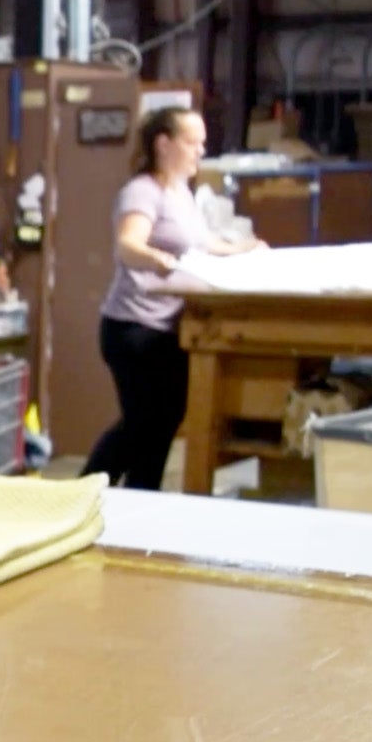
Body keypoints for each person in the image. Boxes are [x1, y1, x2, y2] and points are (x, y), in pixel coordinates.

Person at [86, 107, 262, 491]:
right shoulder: (143, 191)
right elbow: (128, 244)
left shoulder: (181, 191)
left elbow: (202, 244)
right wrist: (157, 260)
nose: (201, 151)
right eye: (192, 142)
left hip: (166, 329)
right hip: (134, 329)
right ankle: (82, 491)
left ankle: (140, 499)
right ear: (164, 144)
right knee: (142, 421)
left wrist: (240, 249)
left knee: (163, 420)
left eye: (202, 143)